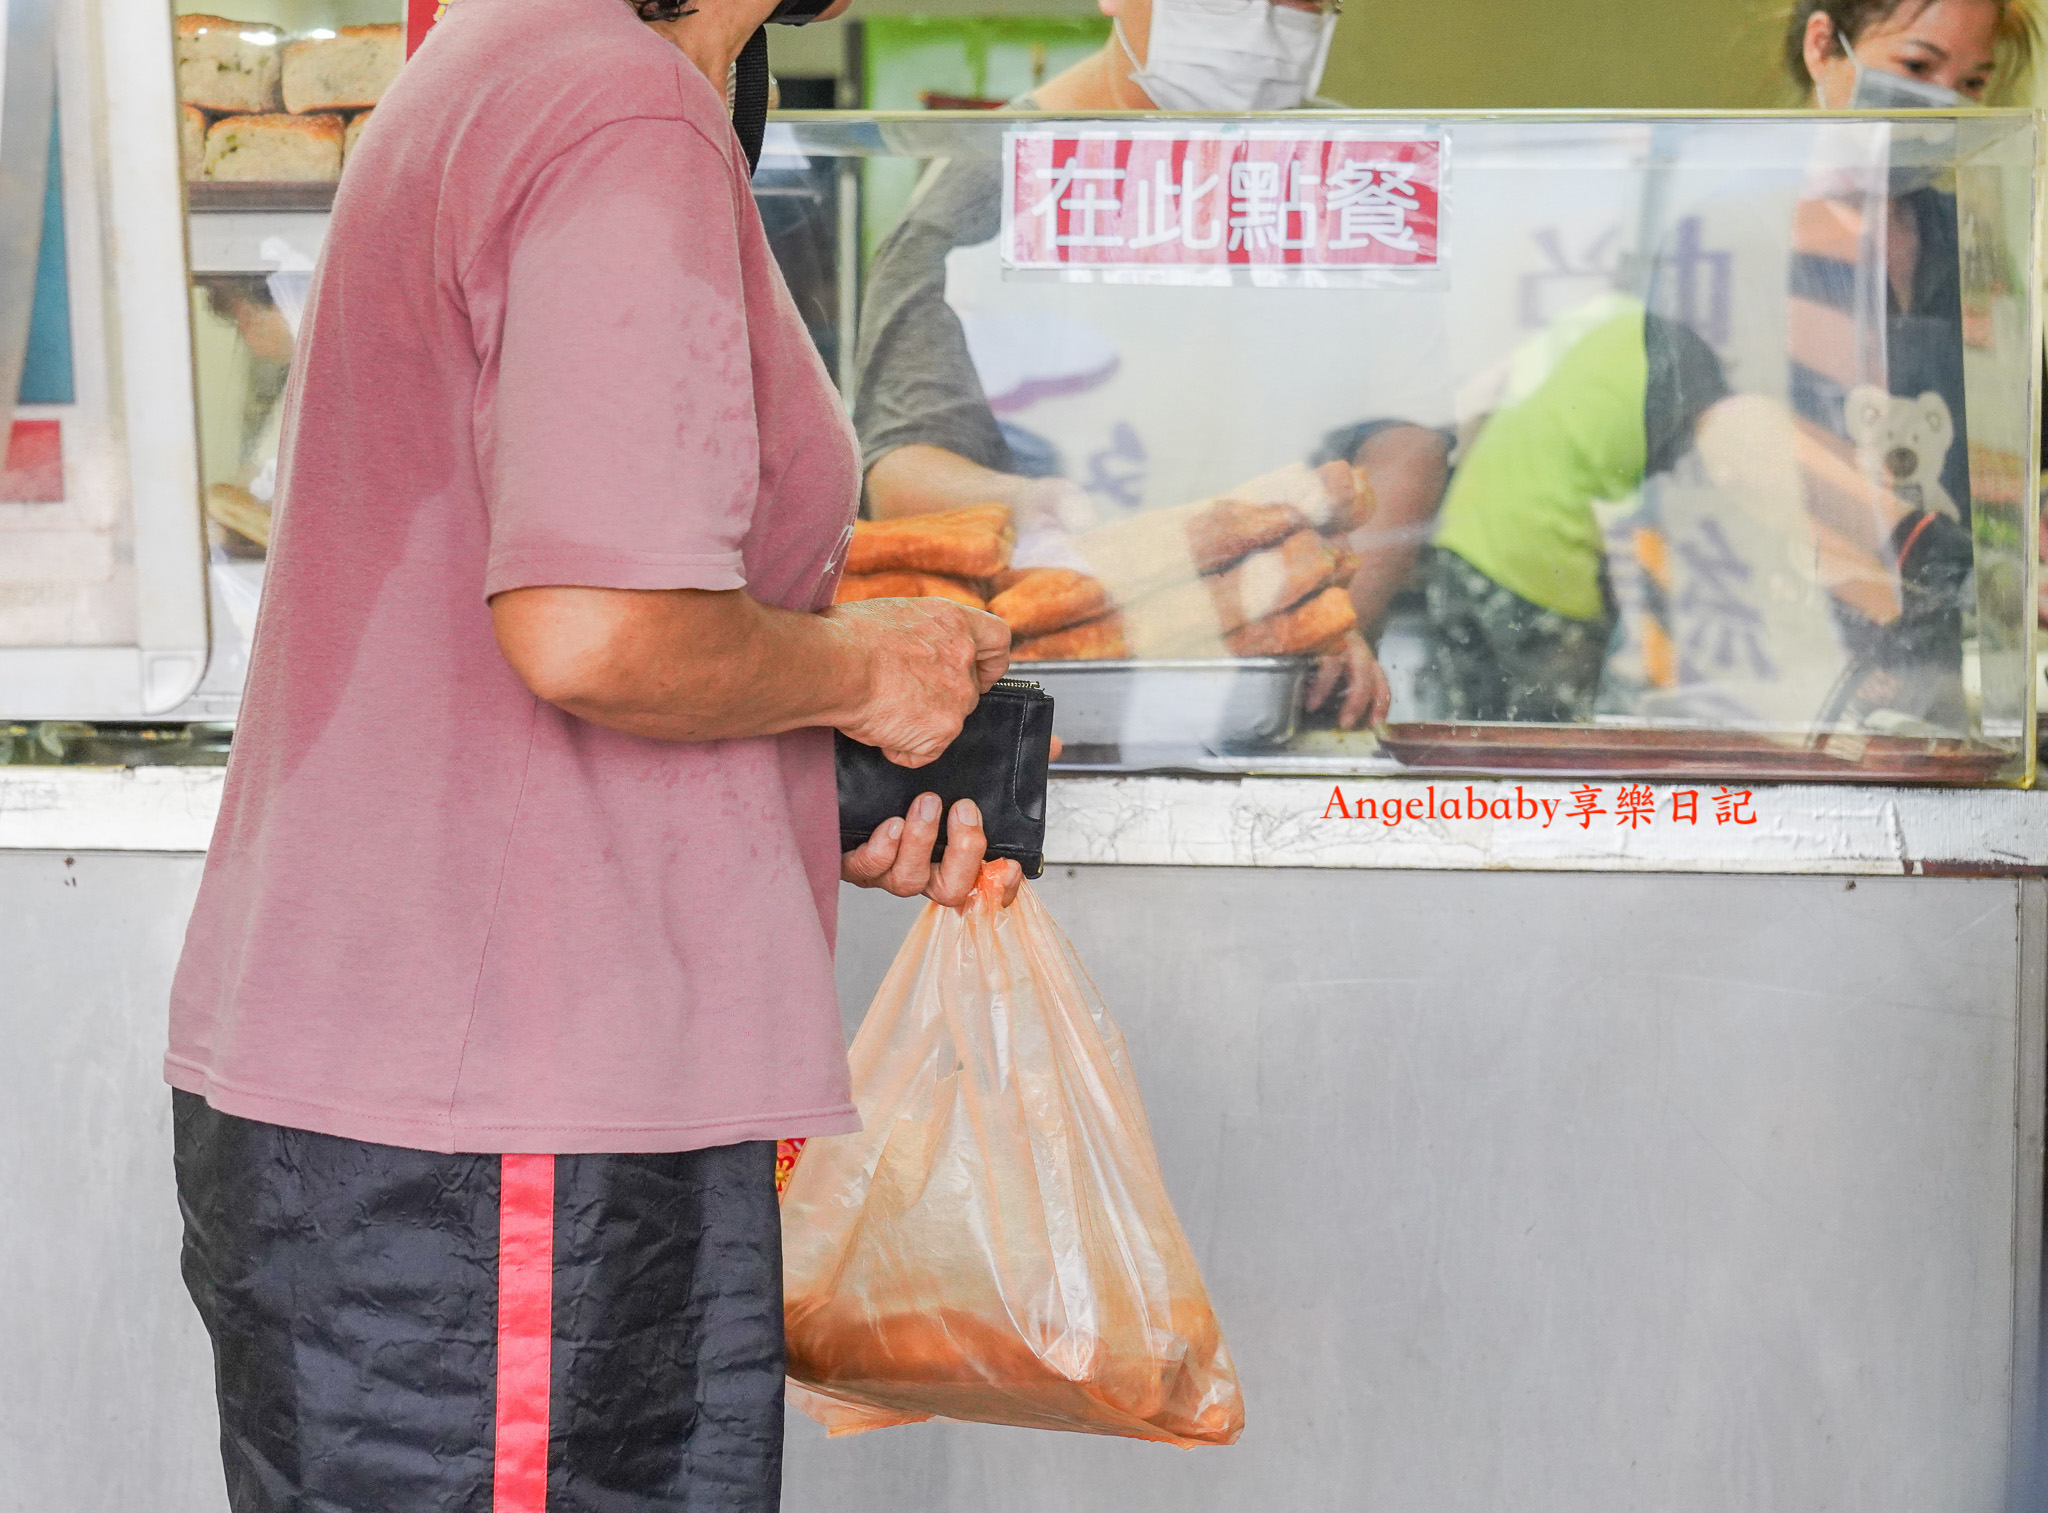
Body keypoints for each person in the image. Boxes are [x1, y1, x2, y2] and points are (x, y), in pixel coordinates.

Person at [165, 0, 1023, 1507]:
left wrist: (804, 781)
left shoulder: (528, 67)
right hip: (505, 1139)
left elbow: (521, 648)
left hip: (462, 1113)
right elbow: (596, 633)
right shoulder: (616, 110)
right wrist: (861, 673)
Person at [852, 0, 1461, 729]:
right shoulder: (983, 185)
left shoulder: (1360, 177)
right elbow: (900, 470)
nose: (1266, 15)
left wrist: (1322, 620)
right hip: (1051, 699)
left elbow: (1407, 437)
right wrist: (1030, 504)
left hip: (1283, 694)